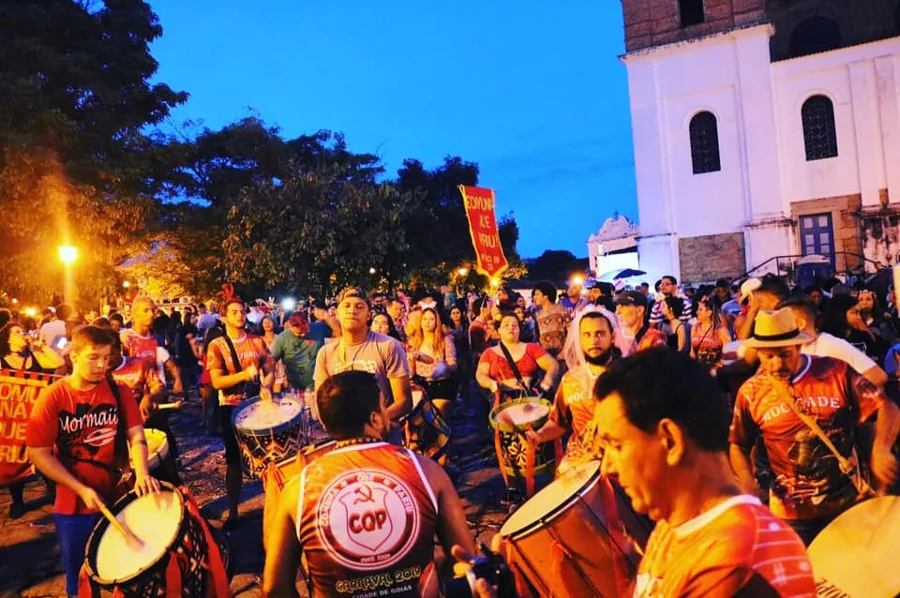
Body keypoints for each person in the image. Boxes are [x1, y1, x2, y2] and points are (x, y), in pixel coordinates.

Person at [593, 347, 816, 597]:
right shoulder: (674, 526)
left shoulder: (734, 560)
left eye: (616, 445)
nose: (608, 466)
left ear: (670, 442)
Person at [263, 371, 475, 597]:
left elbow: (274, 588)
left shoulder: (298, 489)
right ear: (375, 419)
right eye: (384, 407)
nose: (387, 416)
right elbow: (467, 560)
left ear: (325, 424)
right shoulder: (427, 471)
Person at [729, 308, 900, 545]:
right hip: (793, 516)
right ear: (757, 353)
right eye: (768, 356)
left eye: (785, 354)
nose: (778, 364)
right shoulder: (750, 393)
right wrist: (747, 481)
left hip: (849, 502)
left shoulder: (835, 371)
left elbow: (885, 407)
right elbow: (738, 444)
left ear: (799, 347)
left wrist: (881, 447)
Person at [26, 325, 160, 598]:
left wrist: (142, 472)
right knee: (81, 584)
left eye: (106, 358)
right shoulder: (53, 397)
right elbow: (38, 452)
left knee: (123, 574)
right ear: (73, 356)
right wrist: (80, 489)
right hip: (73, 506)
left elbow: (137, 436)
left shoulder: (118, 390)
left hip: (116, 497)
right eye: (93, 358)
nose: (102, 365)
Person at [207, 286, 274, 528]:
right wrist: (244, 375)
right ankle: (234, 509)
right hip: (231, 408)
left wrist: (267, 384)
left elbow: (270, 371)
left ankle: (274, 505)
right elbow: (216, 382)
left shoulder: (257, 341)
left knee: (268, 457)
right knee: (234, 460)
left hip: (257, 405)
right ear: (224, 317)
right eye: (234, 312)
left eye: (242, 312)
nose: (240, 316)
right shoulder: (216, 345)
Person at [526, 308, 619, 474]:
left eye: (600, 333)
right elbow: (559, 422)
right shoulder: (570, 380)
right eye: (587, 335)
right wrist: (539, 436)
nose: (594, 340)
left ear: (612, 337)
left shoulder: (630, 376)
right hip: (579, 466)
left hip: (620, 468)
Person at [313, 287, 413, 423]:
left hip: (383, 439)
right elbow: (322, 403)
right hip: (346, 439)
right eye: (346, 306)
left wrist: (372, 425)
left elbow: (404, 402)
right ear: (337, 313)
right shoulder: (325, 353)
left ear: (368, 315)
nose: (352, 311)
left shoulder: (388, 346)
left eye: (359, 307)